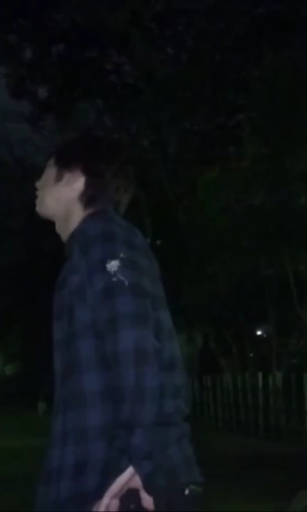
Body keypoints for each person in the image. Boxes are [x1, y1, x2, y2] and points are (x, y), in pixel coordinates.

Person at [33, 133, 203, 511]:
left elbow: (138, 352)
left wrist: (150, 463)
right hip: (95, 480)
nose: (37, 182)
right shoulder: (92, 251)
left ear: (75, 178)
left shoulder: (107, 244)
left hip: (116, 489)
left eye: (46, 170)